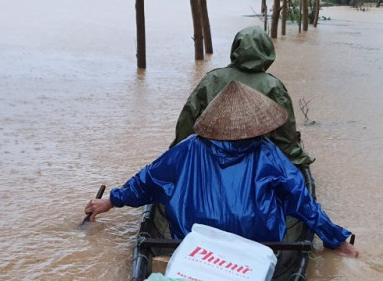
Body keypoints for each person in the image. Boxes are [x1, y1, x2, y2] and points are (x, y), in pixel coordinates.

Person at [84, 81, 359, 257]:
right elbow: (302, 201)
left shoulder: (189, 147)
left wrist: (110, 202)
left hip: (194, 242)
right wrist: (336, 239)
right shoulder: (269, 154)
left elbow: (147, 181)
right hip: (258, 244)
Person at [172, 26, 313, 168]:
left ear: (235, 48)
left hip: (213, 156)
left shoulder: (212, 79)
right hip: (257, 160)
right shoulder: (273, 85)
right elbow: (285, 135)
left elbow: (188, 119)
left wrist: (177, 153)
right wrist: (297, 159)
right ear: (267, 51)